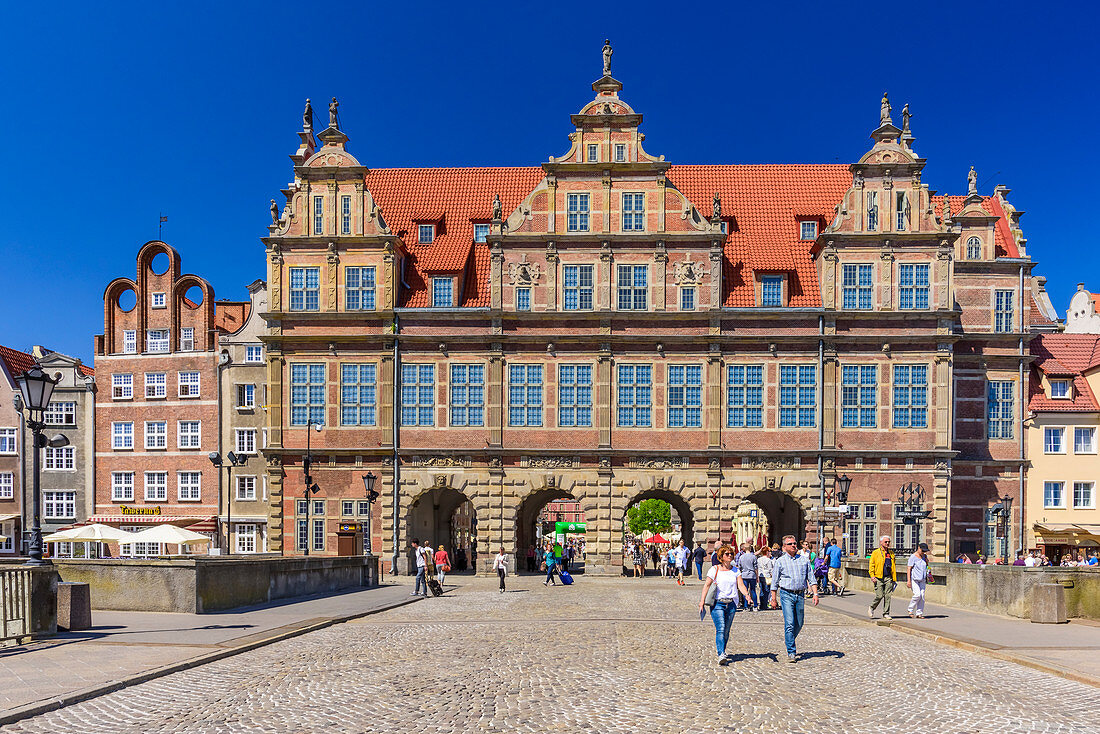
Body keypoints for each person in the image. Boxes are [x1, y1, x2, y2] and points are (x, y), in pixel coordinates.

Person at [698, 544, 752, 666]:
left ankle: (722, 649)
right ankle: (721, 653)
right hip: (717, 603)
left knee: (726, 630)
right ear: (721, 557)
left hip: (731, 604)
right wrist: (701, 602)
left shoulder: (735, 570)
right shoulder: (714, 569)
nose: (730, 556)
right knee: (721, 628)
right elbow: (706, 585)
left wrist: (746, 595)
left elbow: (741, 585)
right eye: (727, 554)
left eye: (731, 554)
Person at [770, 535, 819, 662]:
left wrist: (815, 594)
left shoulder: (804, 560)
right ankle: (791, 651)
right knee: (790, 623)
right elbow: (774, 582)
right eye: (790, 544)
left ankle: (789, 638)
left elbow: (811, 579)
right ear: (784, 547)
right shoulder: (780, 561)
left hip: (800, 594)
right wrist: (773, 598)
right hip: (786, 594)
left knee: (799, 622)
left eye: (795, 543)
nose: (793, 545)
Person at [868, 535, 897, 620]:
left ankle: (886, 613)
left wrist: (894, 579)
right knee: (879, 595)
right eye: (886, 542)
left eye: (888, 542)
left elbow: (893, 566)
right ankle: (872, 607)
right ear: (881, 542)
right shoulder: (876, 553)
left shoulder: (891, 553)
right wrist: (872, 576)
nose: (887, 543)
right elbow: (871, 565)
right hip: (878, 577)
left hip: (888, 577)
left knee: (888, 596)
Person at [907, 542, 933, 618]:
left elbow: (926, 567)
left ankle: (919, 613)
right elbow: (909, 569)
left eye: (925, 551)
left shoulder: (924, 556)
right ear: (919, 548)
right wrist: (908, 581)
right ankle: (910, 609)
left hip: (922, 579)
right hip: (914, 579)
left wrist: (927, 564)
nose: (924, 552)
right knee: (917, 595)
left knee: (922, 596)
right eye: (922, 550)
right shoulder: (913, 557)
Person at [736, 543, 758, 611]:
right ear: (750, 548)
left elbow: (739, 567)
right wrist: (757, 576)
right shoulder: (753, 556)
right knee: (753, 590)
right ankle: (755, 606)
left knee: (745, 591)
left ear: (744, 549)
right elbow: (756, 568)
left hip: (744, 575)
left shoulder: (741, 557)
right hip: (752, 575)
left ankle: (746, 606)